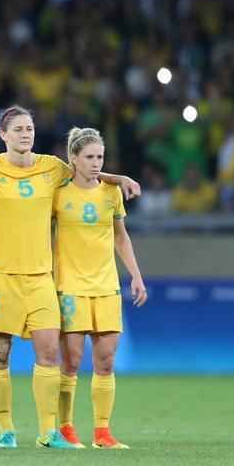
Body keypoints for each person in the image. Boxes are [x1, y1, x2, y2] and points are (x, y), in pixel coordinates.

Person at [0, 105, 139, 448]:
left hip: (40, 278)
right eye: (18, 129)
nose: (26, 134)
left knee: (49, 354)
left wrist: (117, 178)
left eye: (29, 128)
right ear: (3, 135)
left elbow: (86, 172)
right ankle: (6, 430)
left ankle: (49, 433)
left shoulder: (51, 168)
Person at [54, 128, 148, 449]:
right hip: (69, 286)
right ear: (74, 159)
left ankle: (102, 432)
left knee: (105, 360)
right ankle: (65, 428)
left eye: (100, 157)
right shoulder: (58, 192)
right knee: (72, 360)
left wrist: (135, 275)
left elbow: (121, 237)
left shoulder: (111, 194)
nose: (96, 163)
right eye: (89, 157)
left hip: (106, 285)